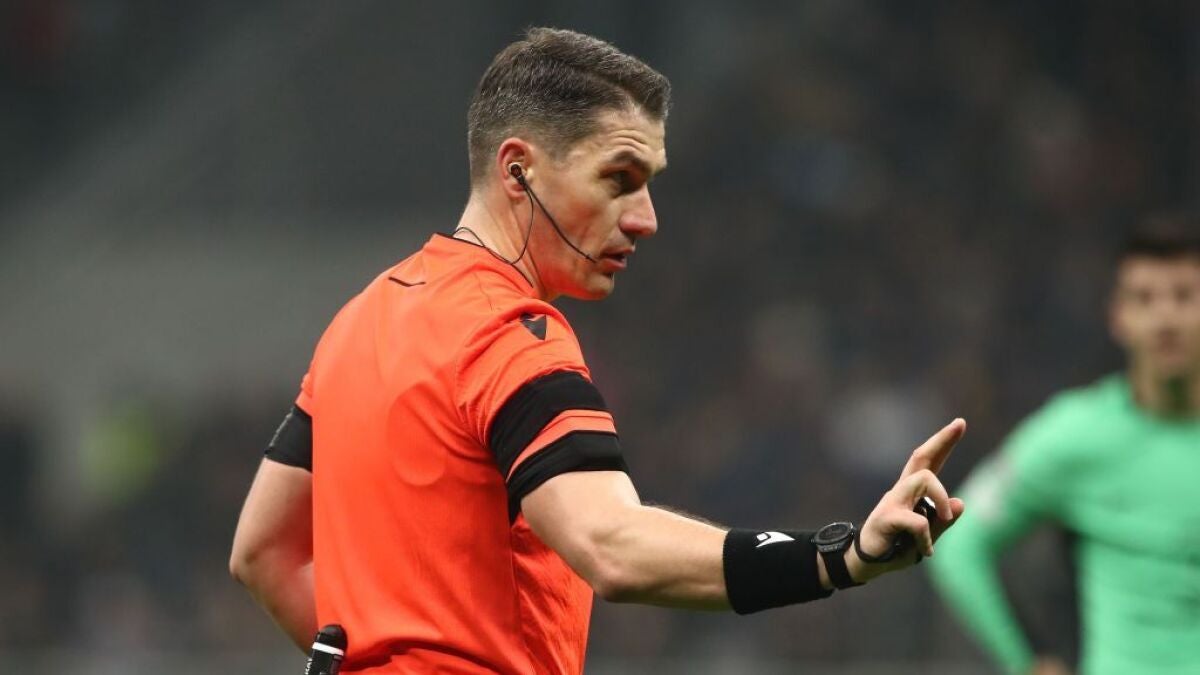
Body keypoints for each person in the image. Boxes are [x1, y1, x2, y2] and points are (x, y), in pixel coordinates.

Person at [230, 27, 967, 674]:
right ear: (518, 170)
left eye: (648, 186)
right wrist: (841, 556)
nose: (645, 219)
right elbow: (611, 545)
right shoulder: (509, 334)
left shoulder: (360, 320)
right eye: (619, 179)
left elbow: (262, 552)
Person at [928, 219, 1200, 675]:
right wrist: (1028, 661)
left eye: (1184, 296)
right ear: (1118, 317)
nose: (1165, 318)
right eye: (1144, 298)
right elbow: (958, 540)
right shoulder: (1076, 436)